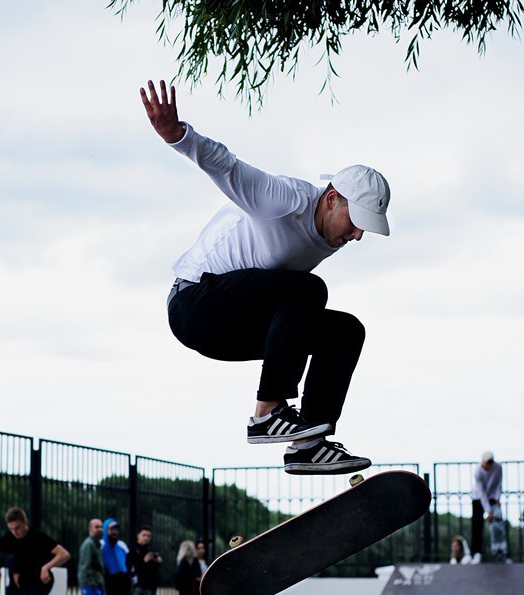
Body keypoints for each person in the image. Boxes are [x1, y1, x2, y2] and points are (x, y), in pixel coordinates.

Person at [141, 79, 389, 475]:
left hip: (239, 324)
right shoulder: (287, 199)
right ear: (330, 199)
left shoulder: (330, 232)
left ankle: (307, 444)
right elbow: (228, 167)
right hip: (194, 305)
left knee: (345, 331)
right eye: (355, 222)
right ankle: (266, 413)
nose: (357, 235)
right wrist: (178, 136)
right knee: (309, 290)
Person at [0, 507, 70, 595]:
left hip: (39, 582)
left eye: (17, 528)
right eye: (11, 529)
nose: (14, 532)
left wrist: (46, 567)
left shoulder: (38, 537)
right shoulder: (9, 538)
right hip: (19, 584)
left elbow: (64, 554)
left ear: (25, 522)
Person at [78, 518, 111, 595]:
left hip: (96, 585)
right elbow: (85, 568)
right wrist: (93, 584)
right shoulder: (89, 544)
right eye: (96, 527)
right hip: (92, 585)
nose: (100, 529)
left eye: (101, 527)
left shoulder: (96, 544)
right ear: (90, 529)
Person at [471, 451, 503, 561]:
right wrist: (488, 510)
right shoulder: (478, 471)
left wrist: (497, 498)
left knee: (497, 524)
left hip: (493, 497)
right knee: (477, 525)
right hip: (478, 498)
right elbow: (481, 492)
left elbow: (499, 483)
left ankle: (499, 551)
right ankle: (476, 552)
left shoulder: (498, 468)